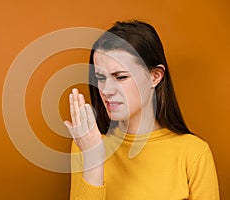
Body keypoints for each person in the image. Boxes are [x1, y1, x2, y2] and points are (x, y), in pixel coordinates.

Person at [64, 20, 219, 200]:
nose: (106, 91)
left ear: (155, 76)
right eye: (100, 77)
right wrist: (93, 159)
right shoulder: (85, 143)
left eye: (120, 77)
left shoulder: (193, 153)